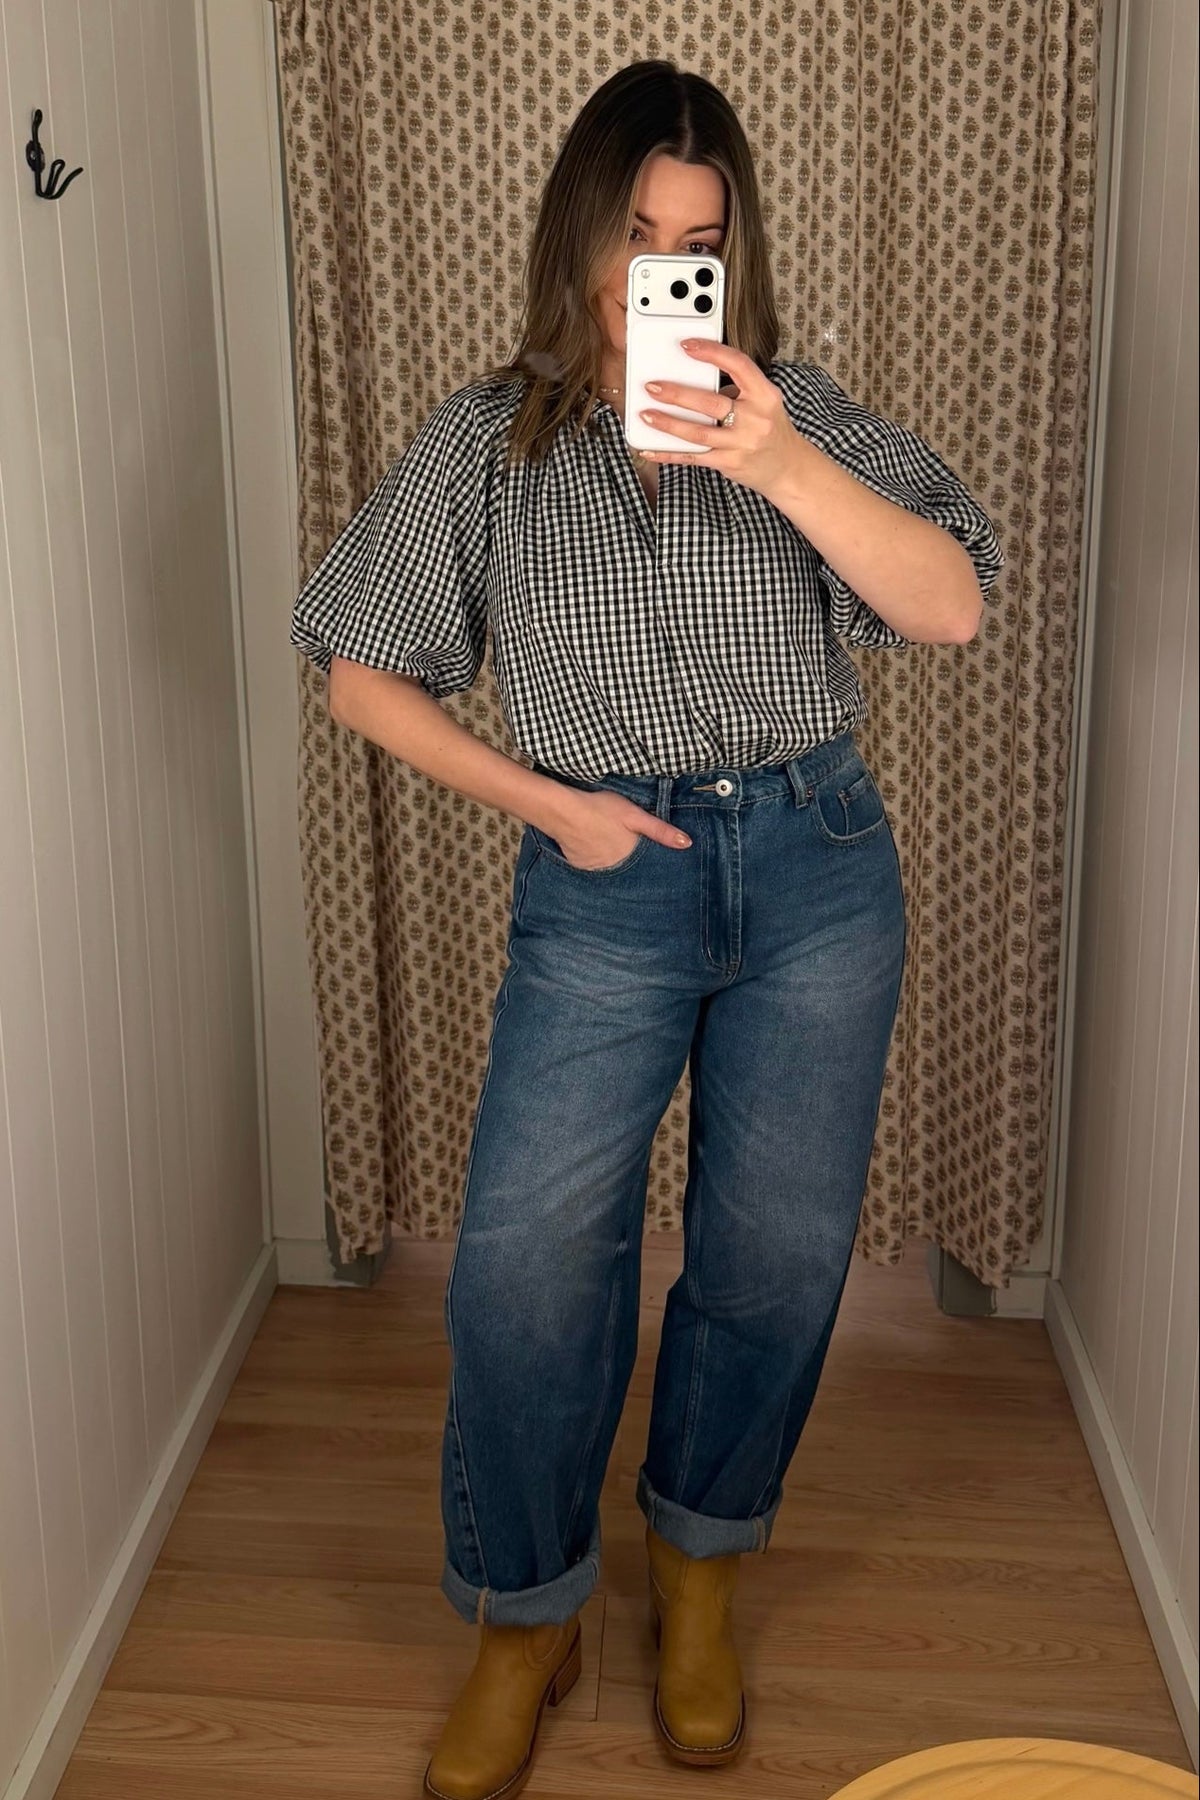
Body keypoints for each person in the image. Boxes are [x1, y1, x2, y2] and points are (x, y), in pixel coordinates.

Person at [290, 58, 1004, 1800]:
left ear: (734, 252)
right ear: (584, 241)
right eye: (638, 234)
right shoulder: (492, 437)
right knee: (531, 1266)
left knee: (769, 1258)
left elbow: (953, 601)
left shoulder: (796, 412)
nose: (668, 268)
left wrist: (776, 460)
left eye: (702, 237)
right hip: (603, 875)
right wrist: (548, 804)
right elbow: (356, 668)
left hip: (817, 864)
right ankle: (525, 1617)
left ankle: (699, 1570)